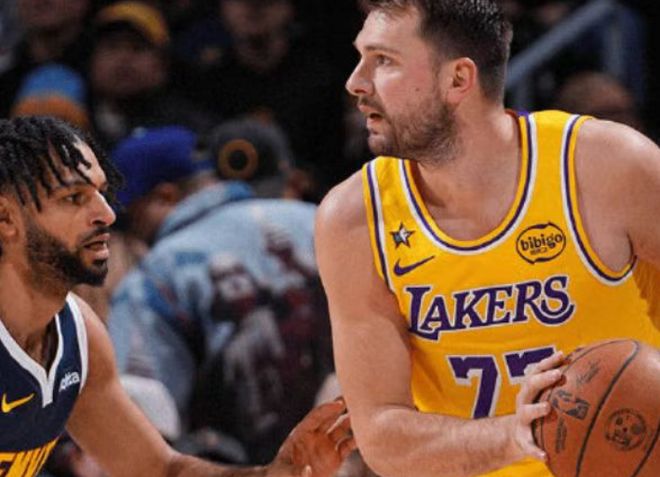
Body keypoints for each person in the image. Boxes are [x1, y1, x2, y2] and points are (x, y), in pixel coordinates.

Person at [314, 1, 660, 477]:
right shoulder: (354, 218)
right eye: (361, 58)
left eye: (384, 61)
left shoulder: (607, 167)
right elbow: (381, 437)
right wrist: (516, 434)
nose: (356, 82)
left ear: (458, 79)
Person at [0, 115, 354, 477]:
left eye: (101, 193)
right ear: (6, 219)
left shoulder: (80, 335)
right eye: (74, 197)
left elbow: (159, 468)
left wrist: (273, 475)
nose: (106, 214)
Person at [108, 123, 334, 463]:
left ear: (164, 197)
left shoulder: (156, 275)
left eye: (128, 220)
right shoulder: (323, 222)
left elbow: (144, 419)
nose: (127, 237)